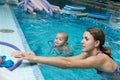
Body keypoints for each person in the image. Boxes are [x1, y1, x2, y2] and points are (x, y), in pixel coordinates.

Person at [11, 27, 119, 76]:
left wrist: (34, 58)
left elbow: (67, 64)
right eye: (82, 38)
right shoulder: (87, 53)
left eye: (86, 39)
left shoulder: (100, 59)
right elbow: (66, 59)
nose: (82, 42)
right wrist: (37, 59)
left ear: (96, 43)